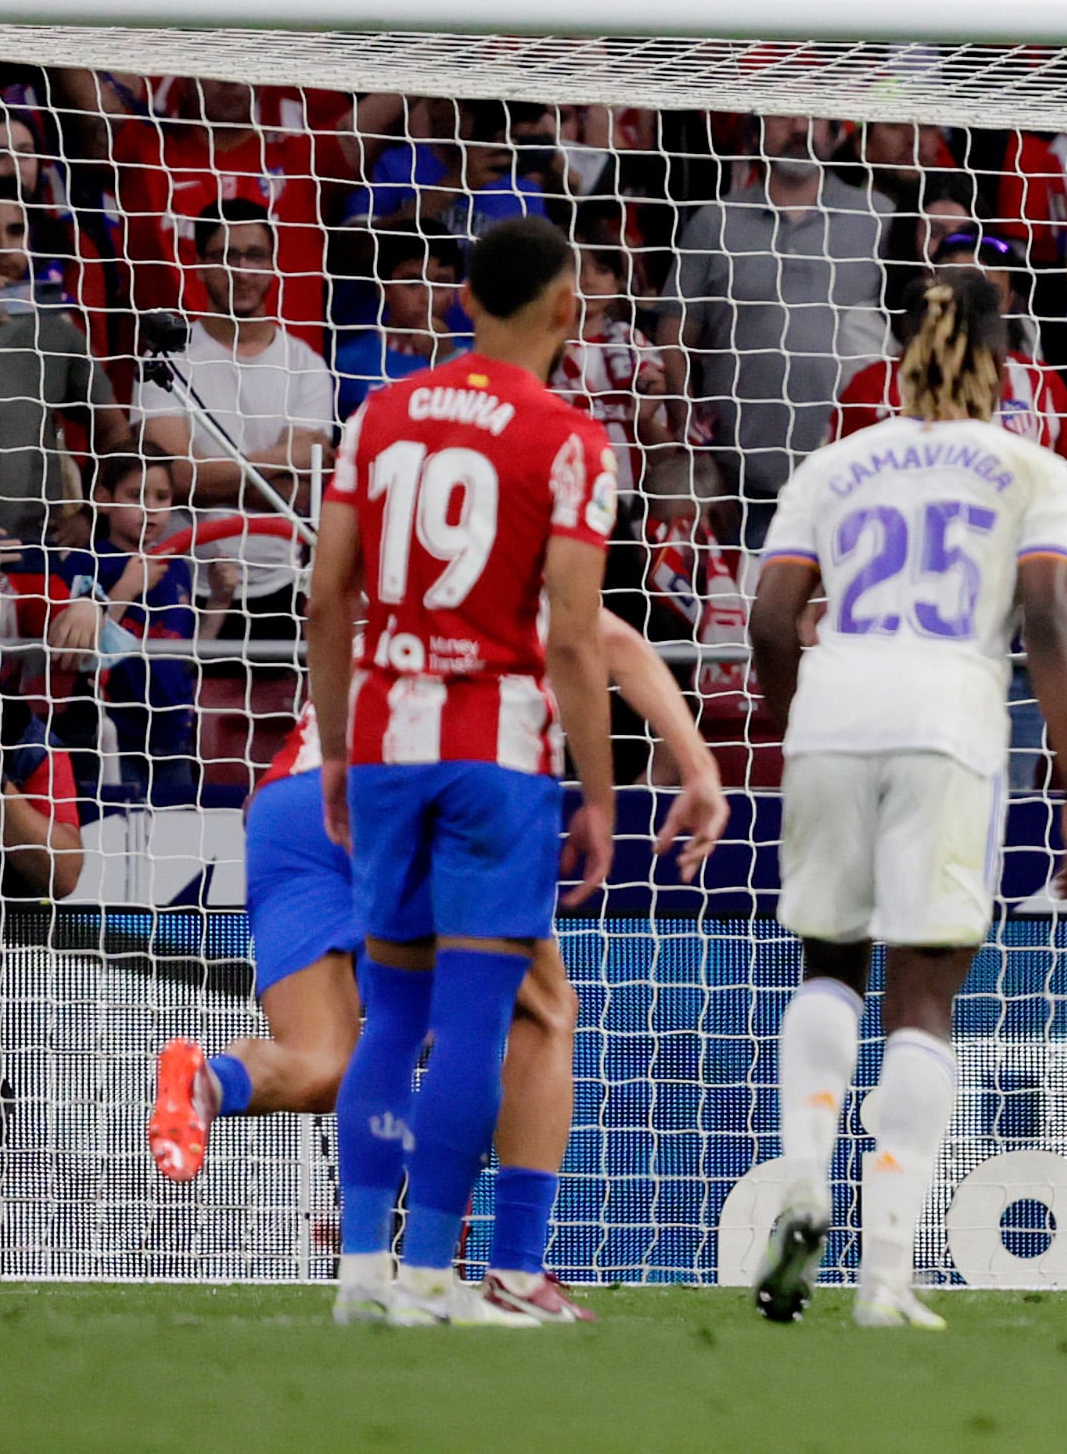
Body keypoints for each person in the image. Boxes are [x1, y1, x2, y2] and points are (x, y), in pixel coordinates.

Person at [144, 617, 729, 1322]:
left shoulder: (390, 544)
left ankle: (210, 1082)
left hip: (293, 801)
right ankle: (503, 1268)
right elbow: (612, 643)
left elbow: (329, 612)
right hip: (440, 780)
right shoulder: (519, 541)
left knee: (326, 1057)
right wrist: (694, 766)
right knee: (535, 1012)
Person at [746, 267, 1067, 1329]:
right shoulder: (1033, 469)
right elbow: (1046, 613)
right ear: (1002, 361)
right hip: (949, 715)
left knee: (828, 965)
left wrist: (794, 722)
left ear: (897, 352)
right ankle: (886, 1275)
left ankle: (804, 1173)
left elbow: (771, 619)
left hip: (837, 703)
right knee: (925, 996)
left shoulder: (837, 462)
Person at [307, 214, 618, 1326]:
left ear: (462, 299)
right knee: (479, 1017)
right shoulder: (569, 437)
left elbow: (327, 593)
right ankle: (434, 1273)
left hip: (388, 737)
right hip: (498, 753)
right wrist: (597, 787)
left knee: (389, 1014)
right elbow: (577, 636)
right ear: (566, 308)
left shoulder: (378, 414)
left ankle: (358, 1271)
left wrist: (338, 747)